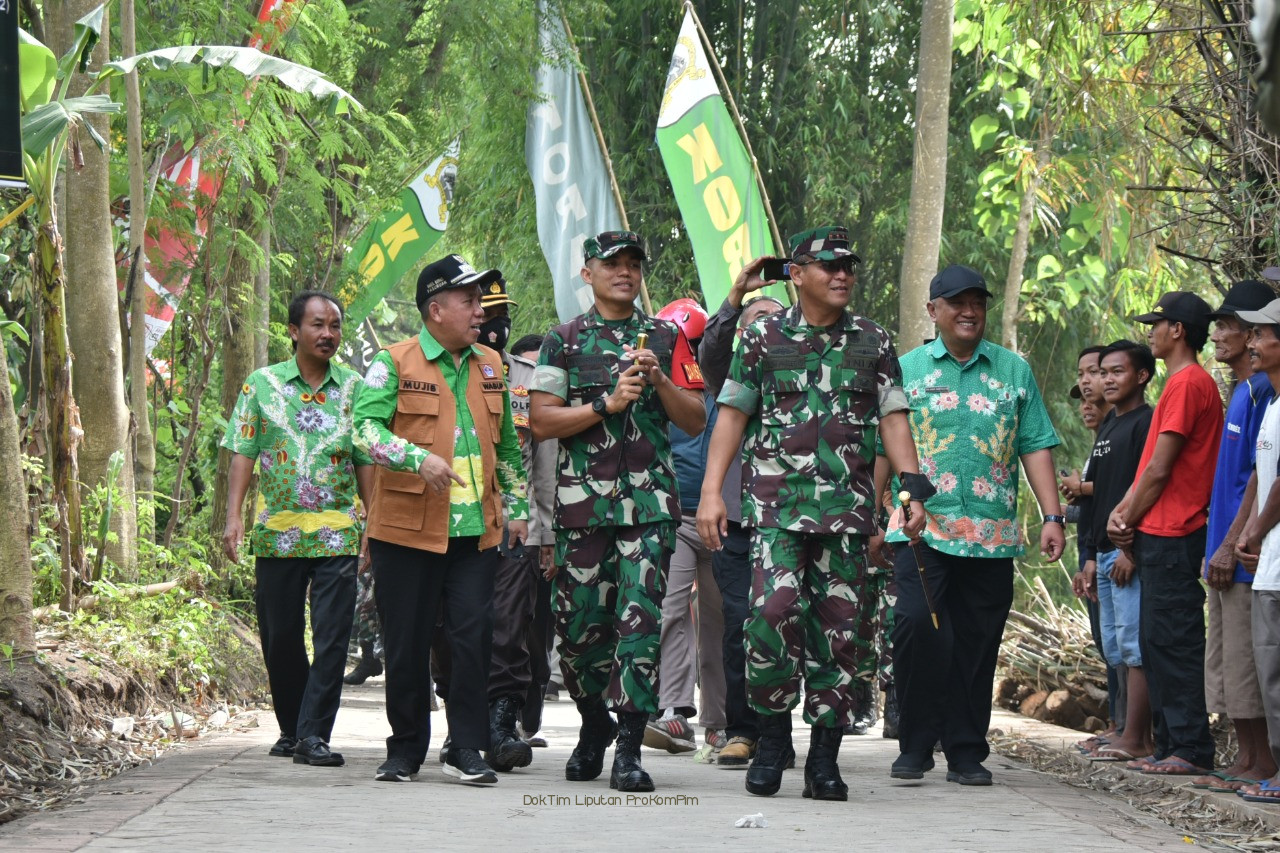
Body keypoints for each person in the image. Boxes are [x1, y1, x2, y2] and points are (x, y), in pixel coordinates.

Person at [697, 227, 930, 802]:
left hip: (846, 516)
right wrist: (710, 493)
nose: (842, 274)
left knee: (841, 638)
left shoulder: (872, 341)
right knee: (769, 619)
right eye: (828, 265)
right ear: (797, 274)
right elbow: (730, 414)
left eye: (849, 264)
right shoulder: (763, 338)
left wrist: (912, 488)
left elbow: (893, 418)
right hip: (774, 512)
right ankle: (773, 740)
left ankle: (825, 758)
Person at [529, 230, 707, 793]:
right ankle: (591, 727)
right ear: (588, 273)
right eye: (612, 264)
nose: (624, 272)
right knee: (580, 632)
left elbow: (696, 418)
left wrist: (657, 379)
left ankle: (629, 749)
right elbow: (540, 420)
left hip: (650, 509)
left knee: (640, 626)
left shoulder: (666, 337)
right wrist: (604, 404)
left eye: (633, 263)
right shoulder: (563, 341)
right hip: (582, 510)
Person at [882, 264, 1064, 787]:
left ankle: (965, 749)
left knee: (977, 642)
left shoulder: (1013, 371)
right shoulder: (905, 368)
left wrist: (1053, 516)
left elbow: (1035, 444)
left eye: (977, 303)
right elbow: (881, 444)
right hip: (921, 529)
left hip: (991, 536)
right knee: (917, 628)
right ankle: (915, 744)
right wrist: (873, 516)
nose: (968, 312)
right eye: (957, 303)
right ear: (933, 310)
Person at [352, 254, 528, 785]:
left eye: (480, 301)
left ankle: (466, 748)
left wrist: (517, 509)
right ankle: (405, 749)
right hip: (406, 531)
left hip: (475, 533)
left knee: (474, 639)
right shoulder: (393, 362)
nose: (480, 311)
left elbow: (509, 448)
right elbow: (363, 430)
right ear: (436, 308)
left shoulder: (491, 366)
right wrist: (415, 458)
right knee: (405, 641)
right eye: (469, 301)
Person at [220, 290, 373, 768]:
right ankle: (293, 727)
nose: (328, 334)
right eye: (317, 325)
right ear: (293, 331)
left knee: (332, 636)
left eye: (334, 326)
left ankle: (313, 735)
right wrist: (234, 516)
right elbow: (244, 451)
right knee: (280, 634)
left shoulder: (355, 388)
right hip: (277, 531)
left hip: (338, 531)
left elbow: (366, 457)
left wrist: (374, 521)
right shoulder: (261, 385)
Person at [431, 277, 555, 772]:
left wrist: (543, 530)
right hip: (443, 524)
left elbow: (543, 459)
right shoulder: (430, 369)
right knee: (446, 629)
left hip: (511, 526)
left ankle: (502, 727)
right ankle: (459, 728)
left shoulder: (529, 377)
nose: (492, 325)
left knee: (507, 626)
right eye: (483, 311)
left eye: (497, 314)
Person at [1108, 291, 1222, 776]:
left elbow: (1160, 467)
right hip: (1160, 530)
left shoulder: (1188, 383)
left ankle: (1191, 748)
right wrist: (1126, 509)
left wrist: (1125, 515)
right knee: (1156, 640)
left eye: (1157, 322)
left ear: (1177, 330)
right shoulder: (1180, 382)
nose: (1150, 330)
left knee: (1174, 639)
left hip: (1176, 531)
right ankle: (1169, 743)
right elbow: (1151, 467)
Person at [699, 291, 786, 768]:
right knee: (741, 625)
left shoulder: (804, 369)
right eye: (754, 321)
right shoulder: (729, 373)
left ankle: (783, 733)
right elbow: (709, 352)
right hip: (737, 521)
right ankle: (743, 731)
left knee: (789, 626)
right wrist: (734, 300)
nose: (765, 328)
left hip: (793, 521)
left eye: (775, 319)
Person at [1195, 281, 1276, 790]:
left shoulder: (1266, 390)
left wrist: (1235, 541)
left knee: (1251, 663)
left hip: (1245, 551)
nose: (1219, 335)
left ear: (1254, 333)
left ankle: (1264, 761)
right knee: (1227, 662)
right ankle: (1247, 759)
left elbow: (1257, 480)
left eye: (1227, 325)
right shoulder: (1244, 391)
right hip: (1223, 546)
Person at [644, 297, 728, 756]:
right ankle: (674, 713)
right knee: (669, 611)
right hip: (674, 516)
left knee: (719, 619)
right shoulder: (657, 385)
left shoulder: (733, 387)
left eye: (694, 345)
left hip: (722, 520)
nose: (688, 355)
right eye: (680, 345)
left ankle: (720, 721)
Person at [1080, 340, 1155, 763]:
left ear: (1141, 376)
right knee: (1114, 648)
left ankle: (1139, 738)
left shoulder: (1145, 423)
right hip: (1104, 552)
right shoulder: (1109, 426)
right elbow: (1102, 496)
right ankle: (1123, 729)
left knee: (1133, 645)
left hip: (1129, 551)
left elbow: (1146, 488)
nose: (1105, 380)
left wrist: (1131, 550)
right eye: (1101, 372)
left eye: (1116, 372)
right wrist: (1091, 555)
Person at [1232, 300, 1280, 802]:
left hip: (1275, 560)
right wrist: (1249, 533)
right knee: (1271, 672)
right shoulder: (1271, 404)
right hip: (1269, 564)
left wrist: (1255, 531)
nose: (1253, 344)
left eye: (1262, 335)